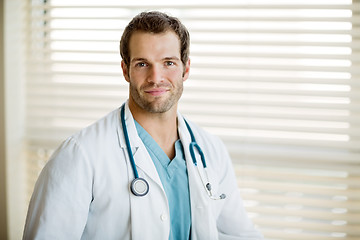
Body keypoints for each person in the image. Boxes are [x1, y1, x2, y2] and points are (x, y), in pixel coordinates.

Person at [23, 11, 263, 240]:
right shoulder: (80, 155)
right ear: (125, 70)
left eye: (168, 63)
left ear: (186, 69)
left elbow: (238, 234)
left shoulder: (210, 150)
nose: (156, 77)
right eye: (142, 64)